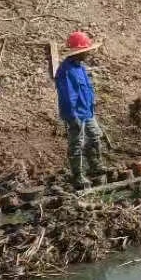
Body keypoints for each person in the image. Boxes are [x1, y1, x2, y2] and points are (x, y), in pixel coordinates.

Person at [55, 30, 103, 189]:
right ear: (77, 52)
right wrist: (72, 116)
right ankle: (78, 175)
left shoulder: (80, 67)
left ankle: (95, 166)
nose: (88, 54)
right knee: (77, 143)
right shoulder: (65, 70)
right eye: (85, 51)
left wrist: (91, 107)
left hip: (87, 111)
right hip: (75, 114)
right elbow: (68, 96)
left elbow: (86, 89)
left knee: (95, 135)